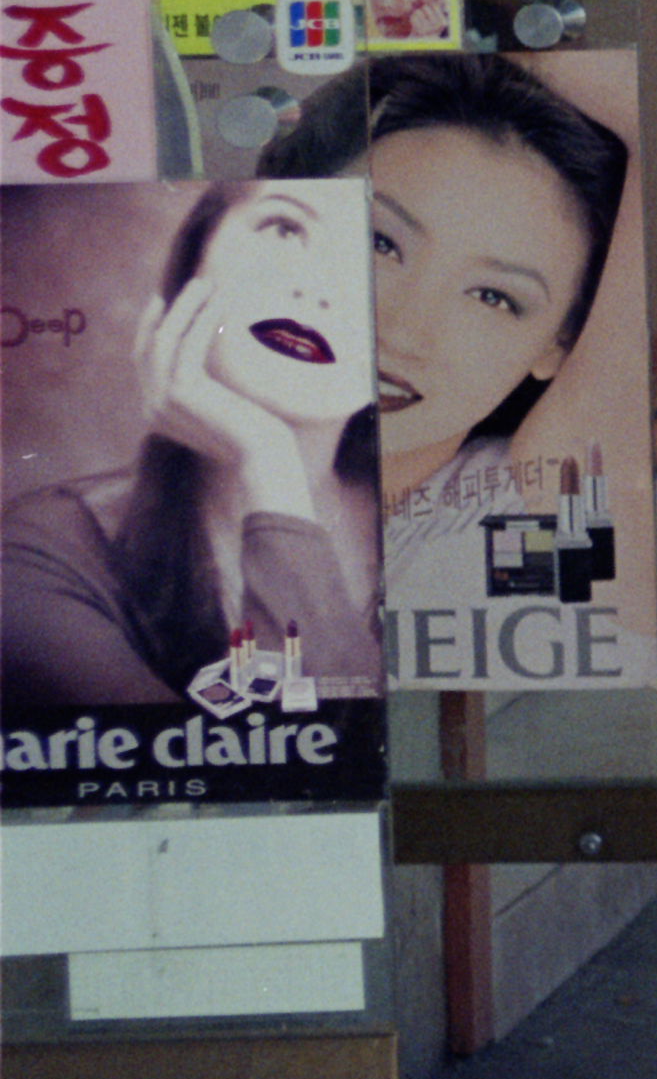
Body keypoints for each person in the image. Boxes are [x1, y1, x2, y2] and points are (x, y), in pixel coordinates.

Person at [262, 54, 630, 606]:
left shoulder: (516, 513)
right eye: (380, 243)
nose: (403, 331)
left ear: (560, 342)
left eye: (493, 297)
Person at [2, 182, 381, 717]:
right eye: (286, 227)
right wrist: (267, 461)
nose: (319, 289)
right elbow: (291, 762)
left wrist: (271, 470)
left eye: (374, 250)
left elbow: (351, 759)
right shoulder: (43, 553)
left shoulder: (427, 523)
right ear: (192, 269)